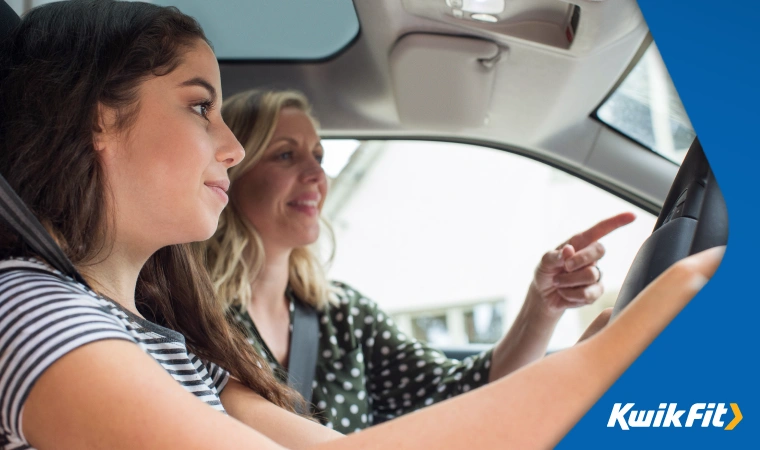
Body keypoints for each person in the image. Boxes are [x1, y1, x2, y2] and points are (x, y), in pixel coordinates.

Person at [0, 1, 723, 449]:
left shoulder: (176, 343)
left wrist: (591, 355)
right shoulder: (30, 310)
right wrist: (604, 360)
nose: (229, 145)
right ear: (100, 118)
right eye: (200, 107)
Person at [205, 88, 636, 432]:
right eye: (286, 154)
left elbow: (459, 394)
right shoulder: (193, 320)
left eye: (319, 157)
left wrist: (543, 307)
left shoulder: (342, 315)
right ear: (232, 172)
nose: (318, 175)